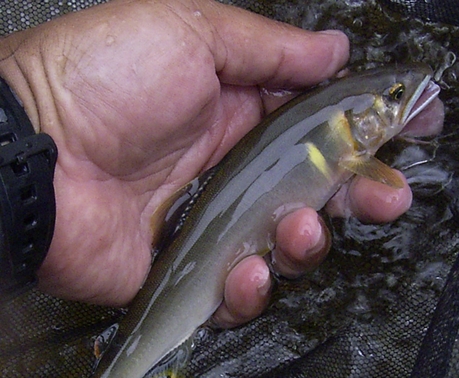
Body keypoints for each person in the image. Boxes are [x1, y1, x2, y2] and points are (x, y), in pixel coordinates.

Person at [0, 0, 413, 327]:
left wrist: (35, 109)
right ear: (353, 121)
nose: (401, 99)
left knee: (280, 252)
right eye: (395, 96)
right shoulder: (350, 145)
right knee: (286, 251)